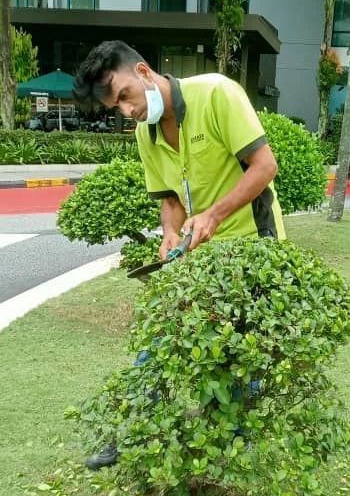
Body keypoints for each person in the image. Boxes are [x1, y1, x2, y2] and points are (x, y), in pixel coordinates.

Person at [73, 40, 286, 469]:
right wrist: (171, 232)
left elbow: (265, 167)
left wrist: (214, 215)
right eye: (116, 107)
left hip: (252, 243)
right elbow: (170, 198)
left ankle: (235, 443)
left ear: (143, 71)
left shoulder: (218, 93)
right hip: (195, 249)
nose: (127, 110)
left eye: (125, 95)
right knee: (162, 334)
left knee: (242, 350)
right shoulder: (145, 134)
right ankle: (134, 429)